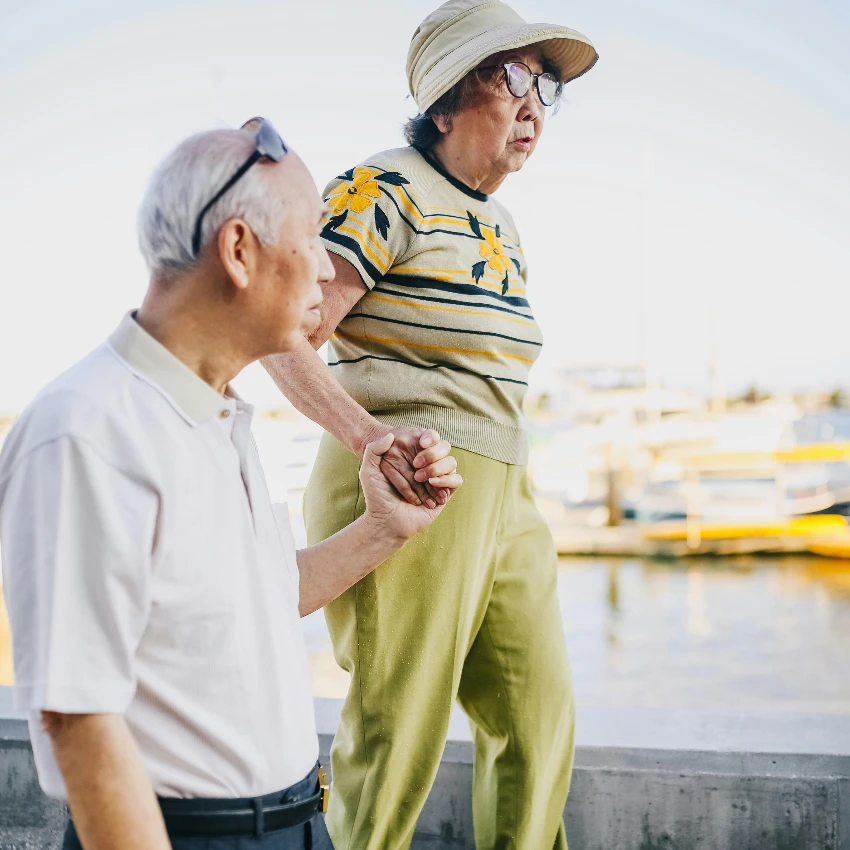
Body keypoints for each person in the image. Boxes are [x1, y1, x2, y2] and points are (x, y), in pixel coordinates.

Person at [0, 119, 462, 850]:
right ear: (240, 252)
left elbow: (265, 601)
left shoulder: (221, 420)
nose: (324, 267)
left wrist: (383, 529)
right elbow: (76, 717)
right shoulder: (85, 431)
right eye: (312, 238)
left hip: (297, 825)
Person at [262, 1, 599, 847]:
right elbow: (282, 336)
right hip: (405, 479)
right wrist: (368, 439)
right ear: (445, 102)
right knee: (396, 730)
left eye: (544, 85)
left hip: (504, 485)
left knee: (536, 716)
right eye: (510, 77)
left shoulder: (502, 221)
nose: (533, 104)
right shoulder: (383, 189)